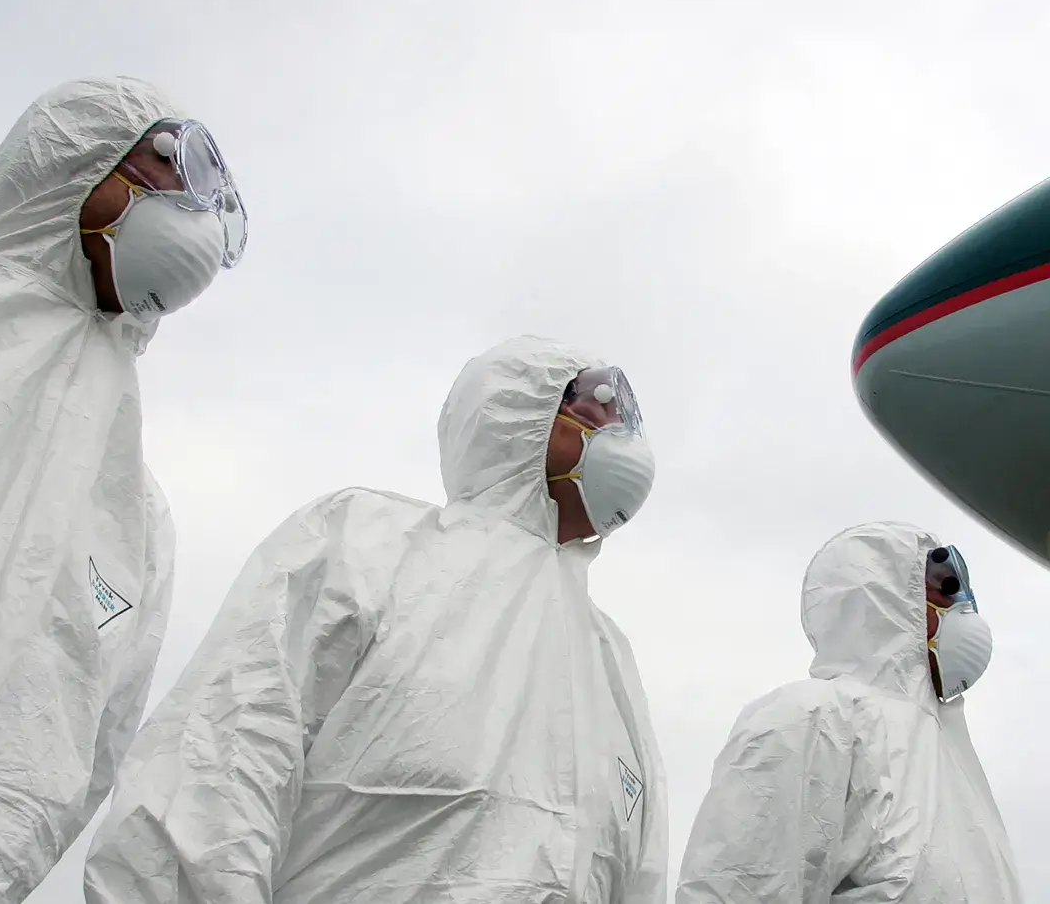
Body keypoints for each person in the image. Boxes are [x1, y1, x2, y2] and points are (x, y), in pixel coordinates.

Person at [83, 335, 666, 904]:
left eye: (623, 416)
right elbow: (220, 764)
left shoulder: (608, 660)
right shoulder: (367, 546)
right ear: (517, 414)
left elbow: (636, 874)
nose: (616, 427)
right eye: (592, 403)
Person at [0, 76, 248, 902]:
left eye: (210, 194)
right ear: (76, 159)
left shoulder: (136, 518)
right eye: (170, 161)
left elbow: (82, 744)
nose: (193, 205)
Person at [676, 521, 1024, 903]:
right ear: (886, 600)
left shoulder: (953, 766)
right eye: (944, 589)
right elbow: (739, 887)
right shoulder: (814, 719)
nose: (960, 607)